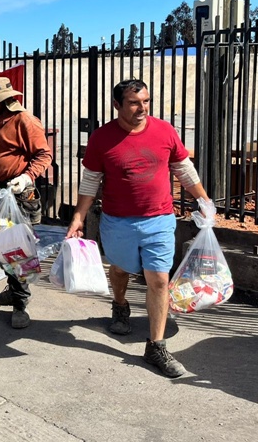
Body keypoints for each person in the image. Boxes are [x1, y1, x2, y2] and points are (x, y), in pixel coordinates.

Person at [66, 79, 213, 378]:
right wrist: (79, 216)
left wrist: (204, 200)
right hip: (117, 220)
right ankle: (120, 305)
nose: (142, 108)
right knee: (120, 269)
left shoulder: (164, 130)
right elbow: (91, 180)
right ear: (117, 105)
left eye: (145, 101)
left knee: (158, 280)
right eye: (134, 103)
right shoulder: (102, 138)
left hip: (160, 219)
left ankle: (155, 346)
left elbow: (183, 168)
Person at [0, 76, 52, 329]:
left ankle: (20, 304)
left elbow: (44, 154)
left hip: (17, 194)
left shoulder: (24, 121)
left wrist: (27, 177)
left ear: (5, 99)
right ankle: (13, 289)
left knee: (16, 250)